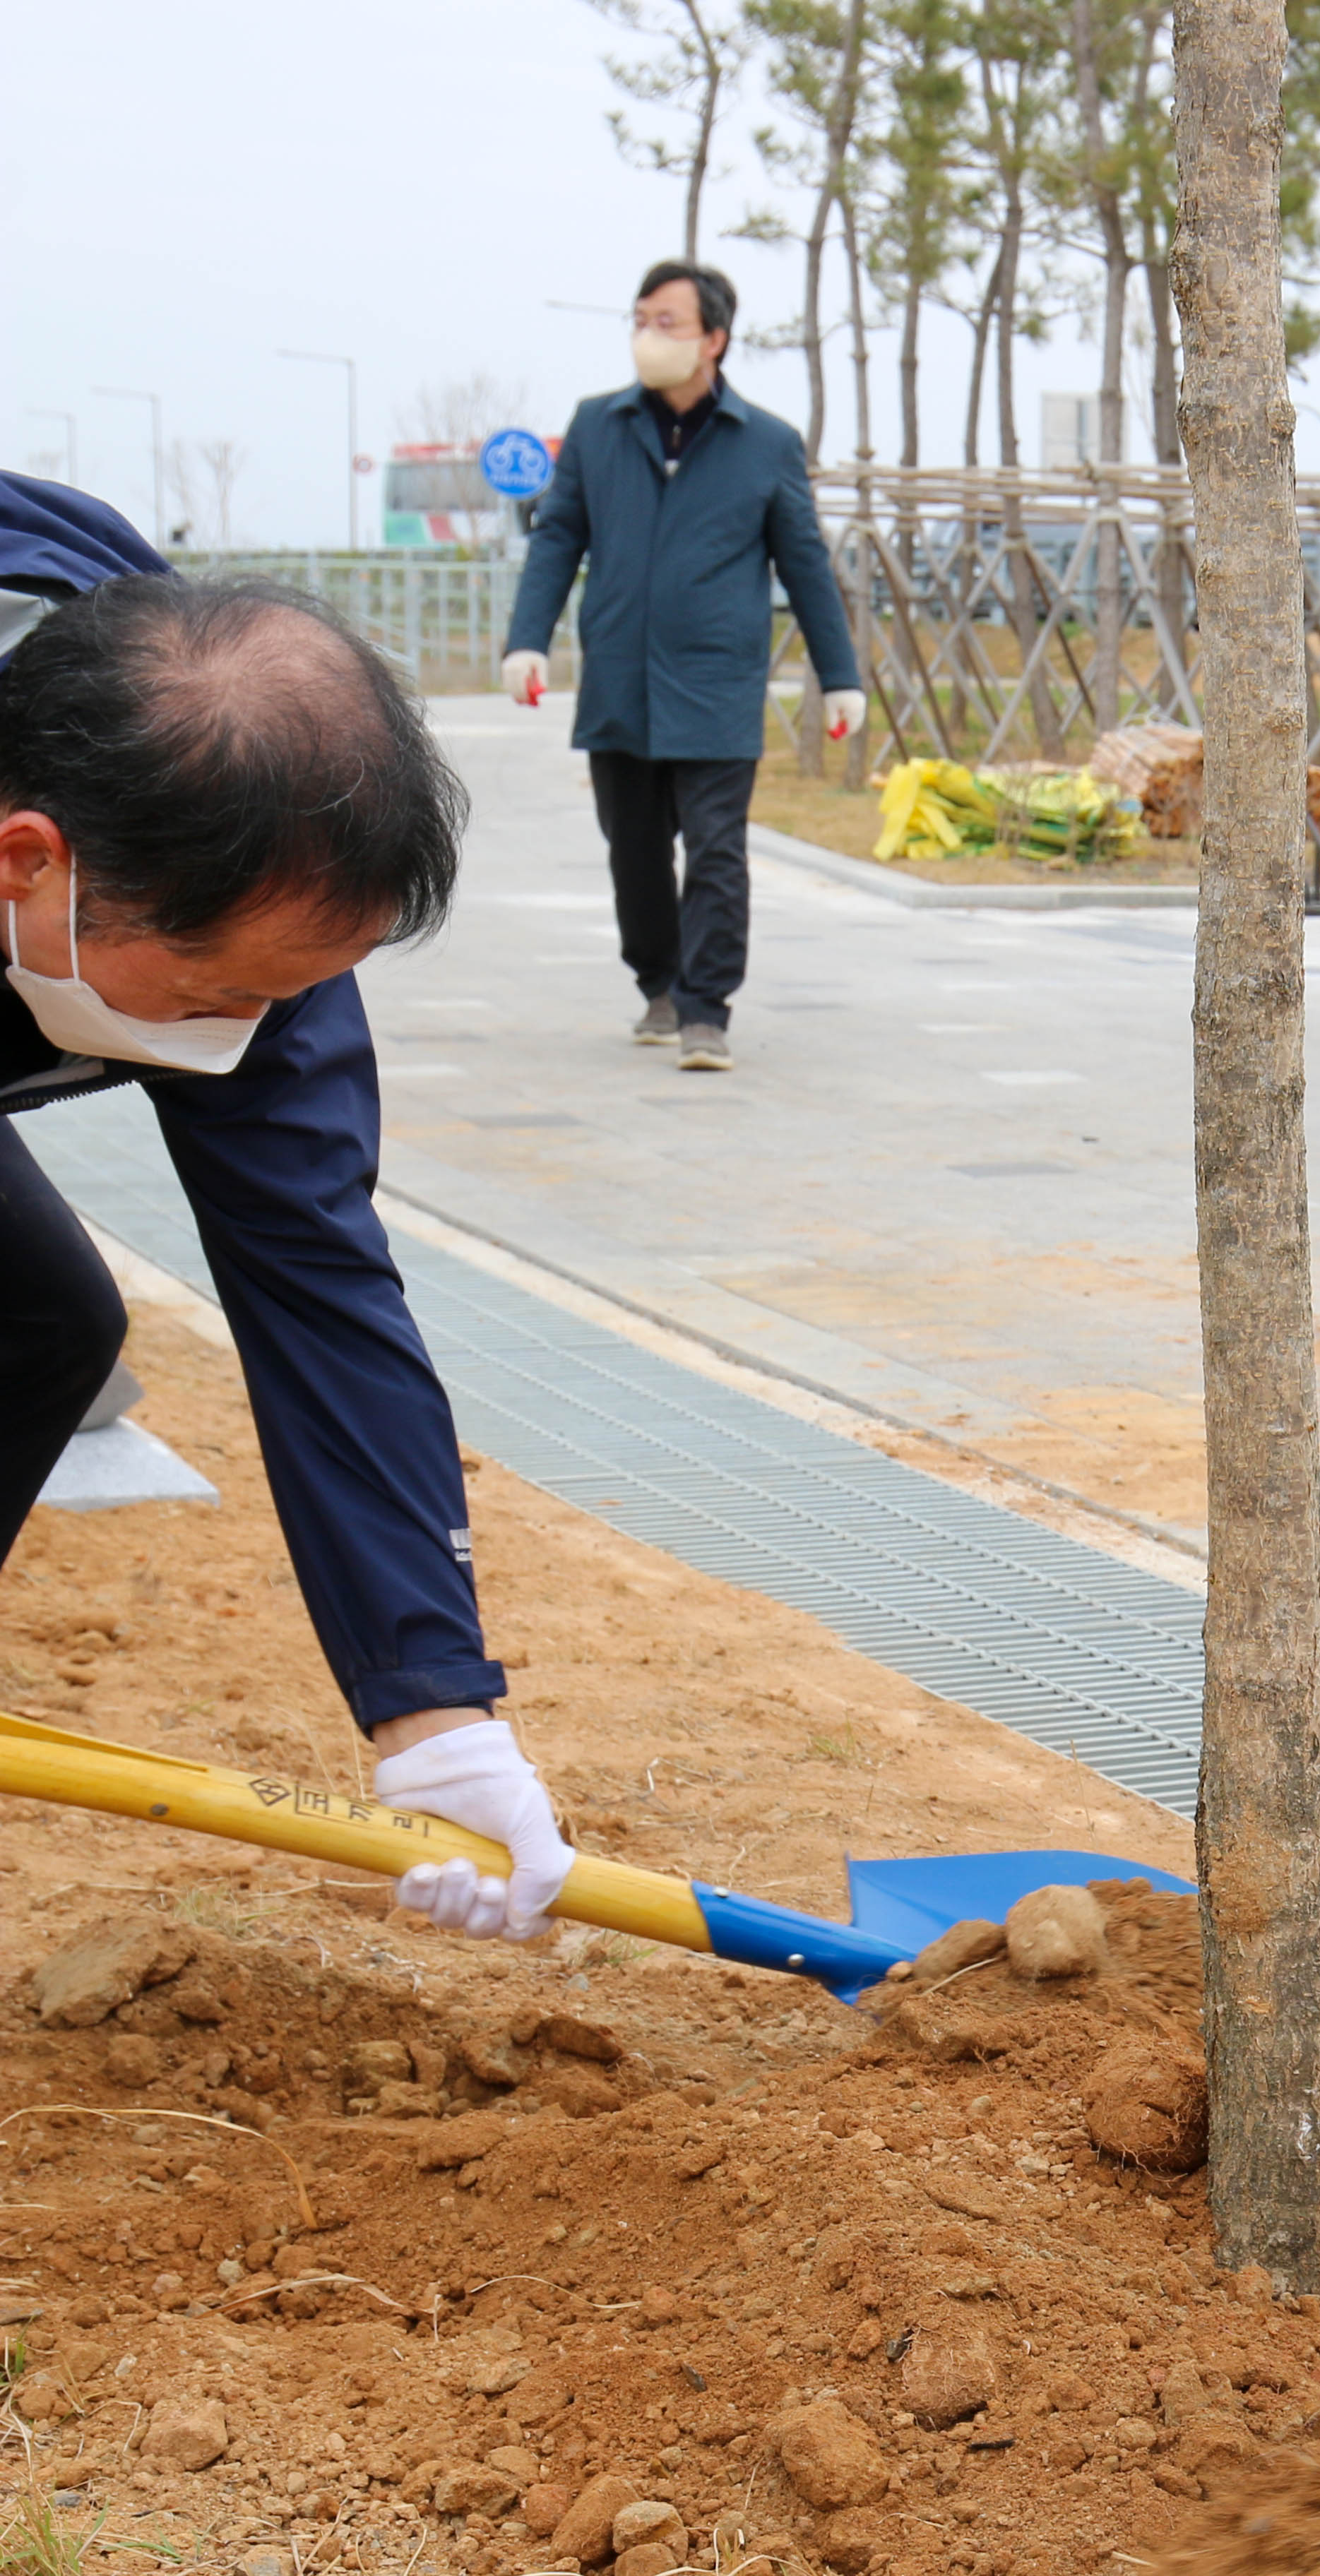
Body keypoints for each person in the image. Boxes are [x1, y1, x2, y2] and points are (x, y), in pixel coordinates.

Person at [1, 475, 576, 1943]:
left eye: (292, 990)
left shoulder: (221, 816)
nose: (256, 1033)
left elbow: (319, 1281)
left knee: (38, 1320)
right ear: (33, 866)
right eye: (222, 996)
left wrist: (434, 1706)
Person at [501, 259, 863, 1075]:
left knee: (716, 850)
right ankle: (657, 984)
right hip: (619, 681)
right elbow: (558, 536)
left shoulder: (765, 443)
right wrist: (526, 640)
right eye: (640, 319)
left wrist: (839, 677)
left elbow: (805, 565)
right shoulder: (597, 427)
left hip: (716, 683)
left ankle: (706, 1009)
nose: (648, 335)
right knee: (632, 850)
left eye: (667, 322)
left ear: (714, 340)